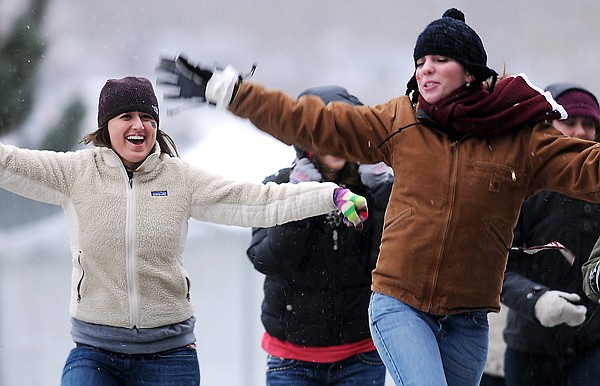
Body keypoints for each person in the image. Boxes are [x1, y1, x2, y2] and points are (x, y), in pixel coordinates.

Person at [156, 8, 600, 386]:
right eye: (420, 60)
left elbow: (587, 168)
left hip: (468, 317)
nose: (424, 68)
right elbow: (313, 122)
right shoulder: (400, 121)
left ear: (470, 71)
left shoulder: (519, 136)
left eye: (439, 59)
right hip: (400, 304)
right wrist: (233, 92)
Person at [0, 76, 369, 386]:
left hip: (168, 355)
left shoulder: (179, 178)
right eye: (126, 116)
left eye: (147, 117)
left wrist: (330, 195)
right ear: (105, 125)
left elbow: (259, 201)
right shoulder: (74, 174)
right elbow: (10, 162)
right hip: (95, 353)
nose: (138, 126)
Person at [246, 85, 392, 386]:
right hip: (292, 360)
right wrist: (300, 201)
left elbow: (386, 264)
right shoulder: (279, 187)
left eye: (342, 132)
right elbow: (266, 259)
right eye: (323, 133)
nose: (334, 142)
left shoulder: (376, 188)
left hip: (361, 356)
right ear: (306, 141)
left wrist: (383, 194)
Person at [500, 83, 600, 386]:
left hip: (594, 347)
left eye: (590, 124)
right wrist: (537, 300)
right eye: (569, 122)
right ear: (545, 126)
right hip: (529, 347)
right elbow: (495, 266)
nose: (581, 132)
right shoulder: (517, 186)